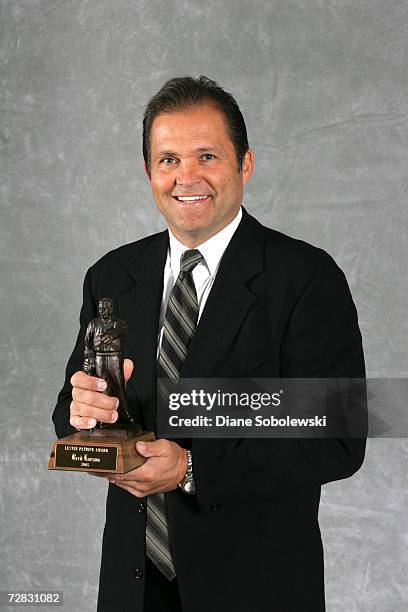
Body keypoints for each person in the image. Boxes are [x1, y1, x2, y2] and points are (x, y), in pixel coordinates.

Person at [53, 76, 366, 612]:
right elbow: (68, 412)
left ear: (245, 164)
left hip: (255, 588)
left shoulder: (306, 278)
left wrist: (193, 470)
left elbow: (339, 437)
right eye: (168, 159)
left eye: (207, 156)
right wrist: (85, 416)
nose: (186, 178)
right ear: (148, 171)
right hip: (133, 587)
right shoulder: (110, 275)